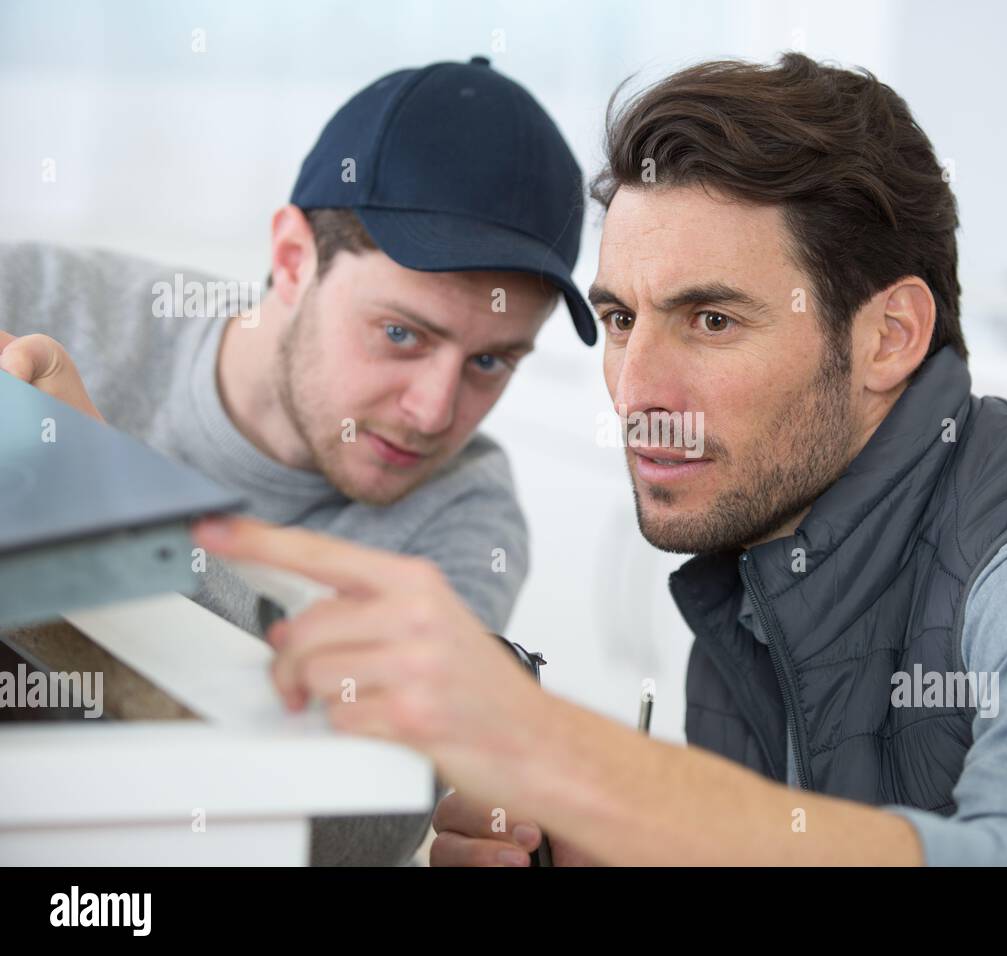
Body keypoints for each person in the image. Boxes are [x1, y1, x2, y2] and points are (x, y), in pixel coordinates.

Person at [191, 53, 1007, 865]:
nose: (635, 390)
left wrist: (578, 761)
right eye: (622, 318)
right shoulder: (751, 564)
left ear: (887, 336)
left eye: (711, 320)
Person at [0, 56, 594, 865]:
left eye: (491, 363)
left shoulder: (464, 517)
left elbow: (354, 819)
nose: (432, 411)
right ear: (290, 259)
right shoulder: (32, 299)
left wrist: (113, 512)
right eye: (401, 334)